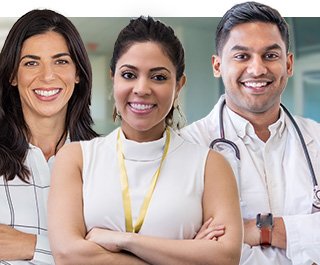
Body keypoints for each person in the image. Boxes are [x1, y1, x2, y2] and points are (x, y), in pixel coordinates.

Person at [180, 2, 320, 264]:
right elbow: (190, 250)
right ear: (218, 66)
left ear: (288, 64)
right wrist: (317, 240)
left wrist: (259, 229)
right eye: (242, 56)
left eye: (270, 55)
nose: (257, 69)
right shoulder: (186, 147)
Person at [48, 16, 243, 265]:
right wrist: (187, 254)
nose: (141, 88)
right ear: (113, 78)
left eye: (159, 77)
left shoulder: (210, 165)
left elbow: (225, 258)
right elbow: (67, 255)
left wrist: (123, 241)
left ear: (179, 85)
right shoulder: (76, 158)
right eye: (129, 75)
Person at [0, 9, 98, 264]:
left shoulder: (106, 156)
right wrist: (75, 252)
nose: (48, 76)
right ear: (12, 75)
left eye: (61, 61)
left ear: (77, 73)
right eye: (31, 63)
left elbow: (119, 257)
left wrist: (27, 246)